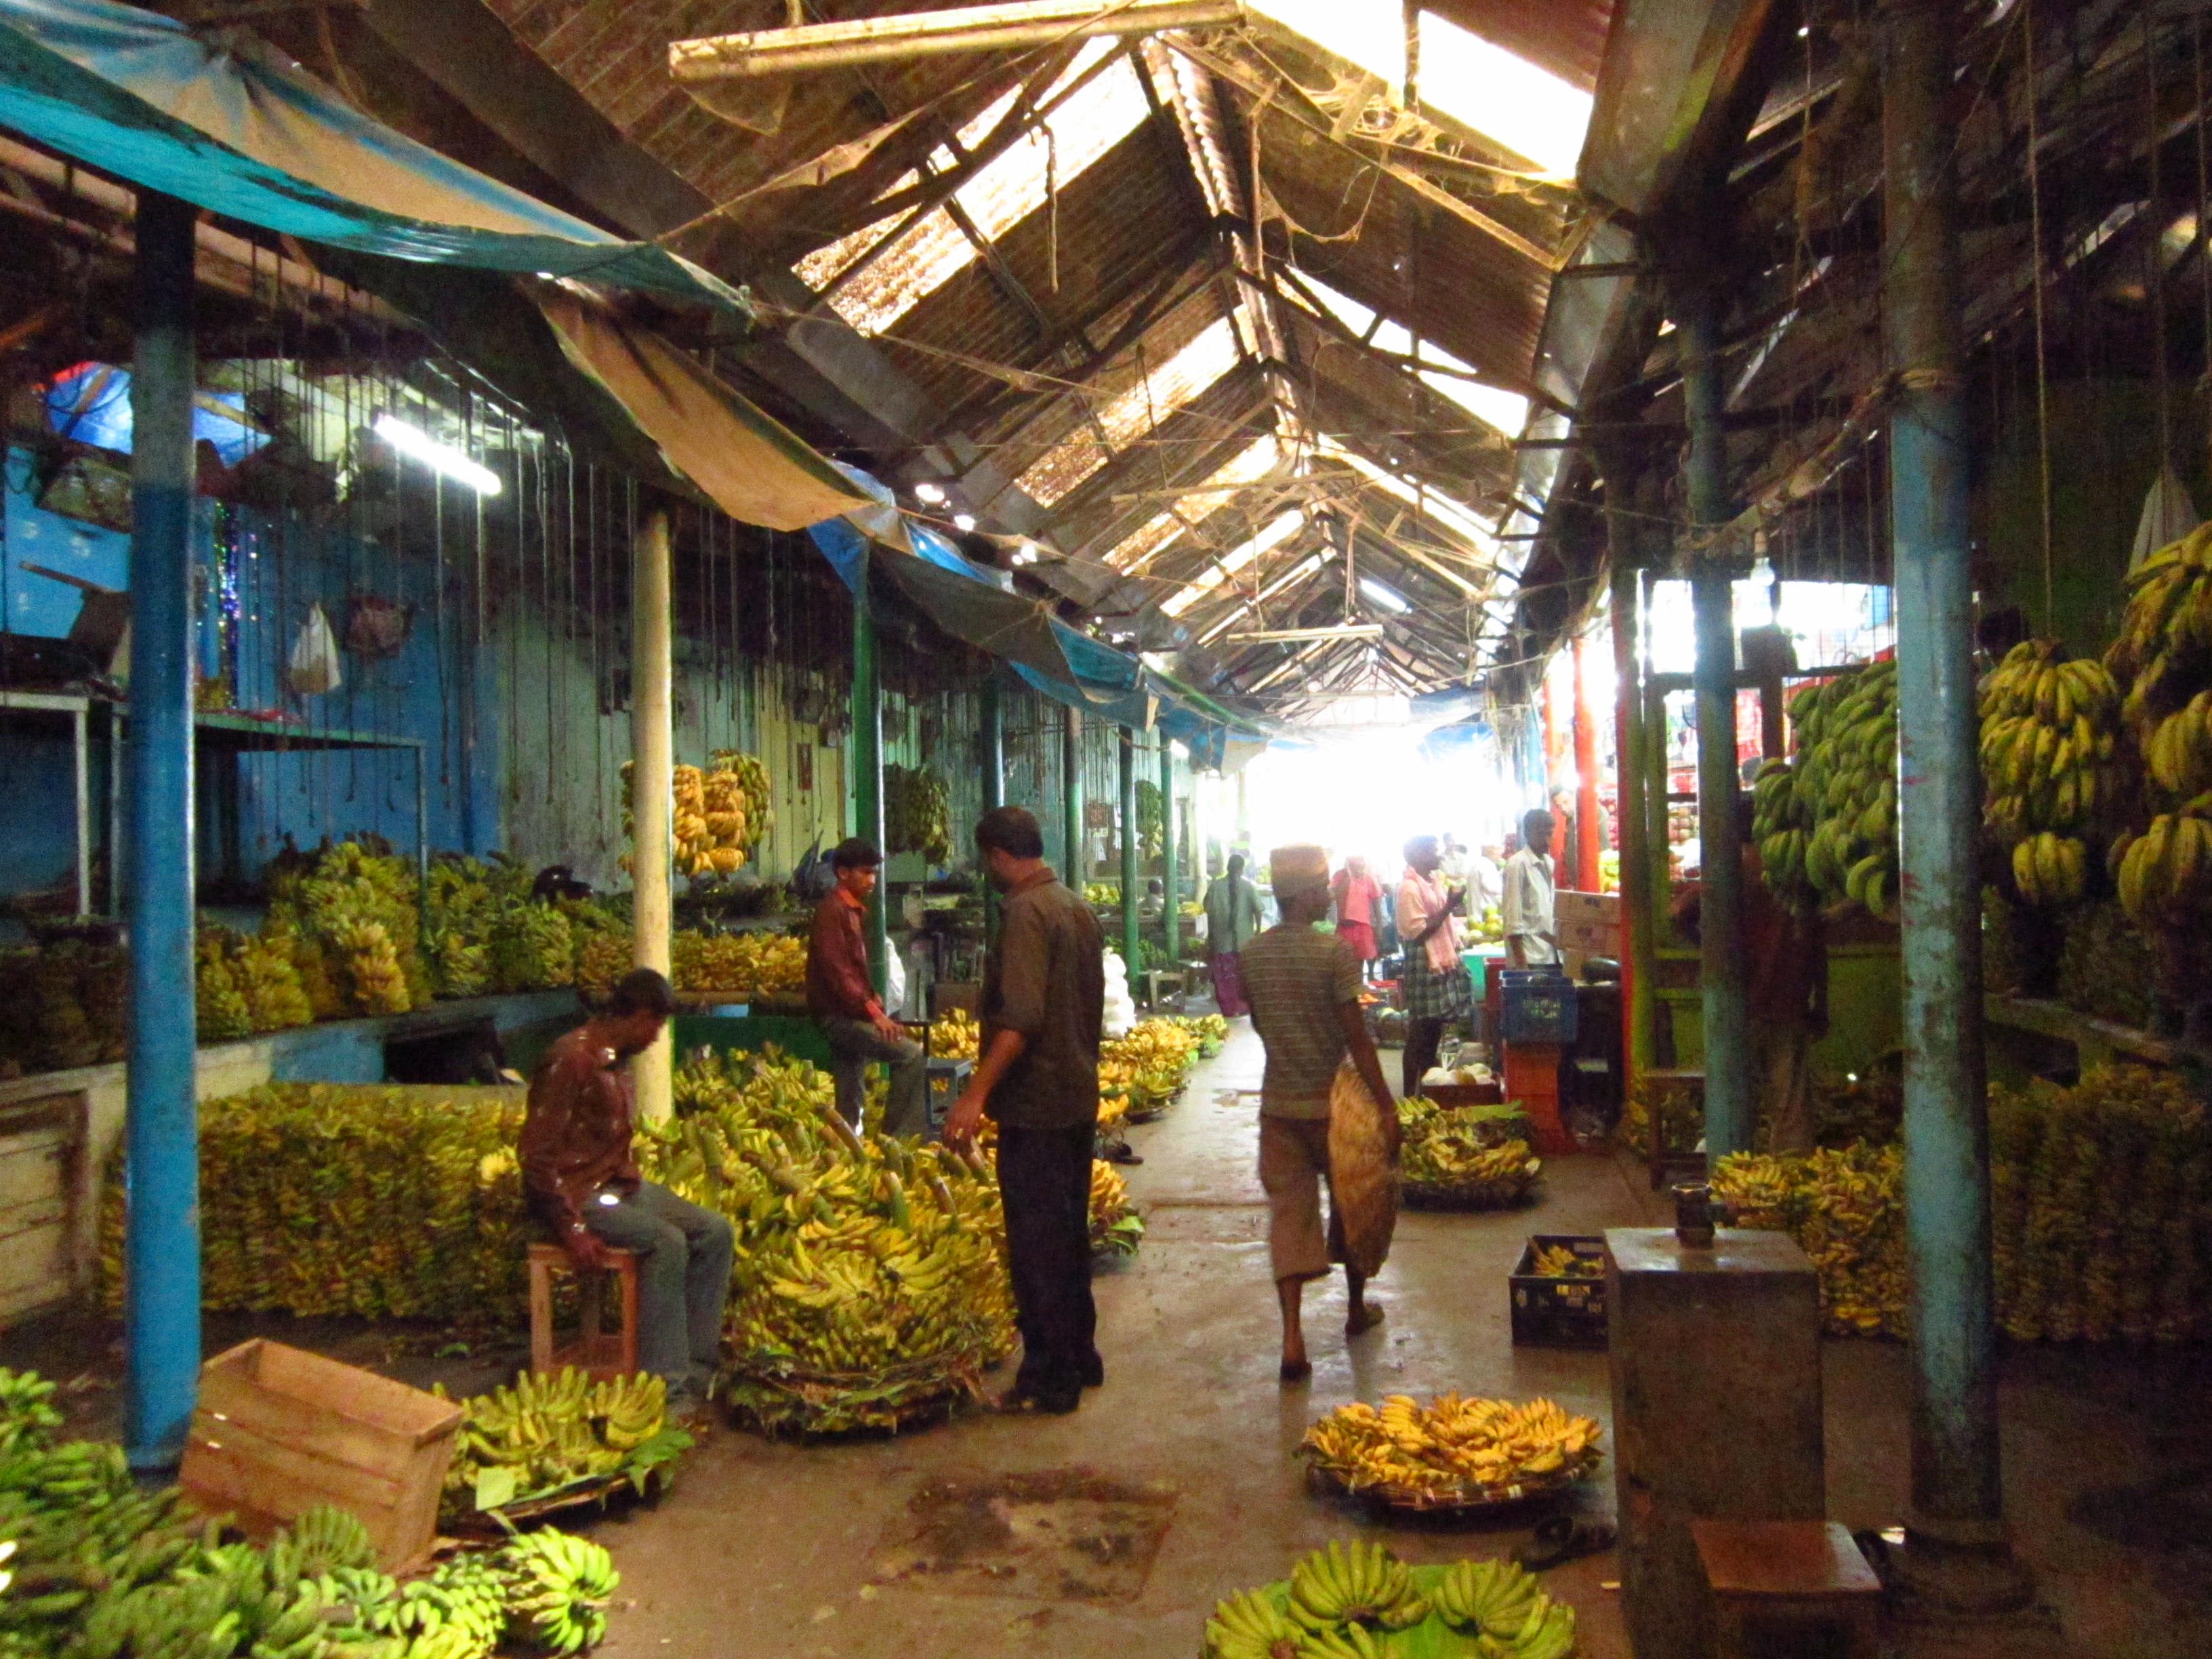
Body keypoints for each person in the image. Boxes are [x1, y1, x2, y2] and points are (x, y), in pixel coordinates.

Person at [945, 806, 1106, 1414]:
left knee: (1037, 1242)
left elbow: (1019, 1019)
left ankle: (1048, 1376)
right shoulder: (1074, 905)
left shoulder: (1024, 913)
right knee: (1068, 1233)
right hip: (1076, 1093)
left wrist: (974, 1095)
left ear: (995, 855)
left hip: (1036, 1103)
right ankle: (1082, 1355)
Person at [520, 968, 733, 1410]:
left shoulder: (612, 1059)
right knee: (665, 1243)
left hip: (617, 1188)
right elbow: (537, 1157)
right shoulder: (571, 1060)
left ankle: (698, 1368)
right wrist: (571, 1228)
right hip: (579, 1196)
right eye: (655, 1025)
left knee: (715, 1231)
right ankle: (666, 1388)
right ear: (636, 1015)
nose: (656, 1037)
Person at [1242, 846, 1398, 1382]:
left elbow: (1262, 1025)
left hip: (1279, 1106)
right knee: (1354, 1205)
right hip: (1334, 1108)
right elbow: (1357, 1037)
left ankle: (1292, 1337)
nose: (1332, 894)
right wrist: (1384, 1103)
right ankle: (1356, 1309)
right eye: (1324, 888)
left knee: (1289, 1215)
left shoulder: (1251, 955)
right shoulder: (1333, 954)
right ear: (1306, 894)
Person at [1674, 796, 1828, 1151]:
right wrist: (1821, 1003)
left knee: (1735, 1092)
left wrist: (1708, 950)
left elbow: (1678, 914)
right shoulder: (1796, 870)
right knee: (1789, 1100)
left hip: (1736, 1001)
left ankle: (1735, 1171)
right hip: (1788, 999)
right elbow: (1817, 943)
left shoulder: (1728, 872)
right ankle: (1788, 1176)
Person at [806, 838, 928, 1136]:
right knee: (911, 1055)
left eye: (874, 873)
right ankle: (898, 1138)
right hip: (840, 1016)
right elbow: (838, 973)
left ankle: (850, 1137)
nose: (872, 880)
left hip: (847, 1012)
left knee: (850, 1082)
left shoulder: (849, 910)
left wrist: (871, 1000)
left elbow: (850, 971)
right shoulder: (832, 912)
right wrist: (874, 1012)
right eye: (865, 872)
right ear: (842, 873)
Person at [1395, 836, 1473, 1098]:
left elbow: (1439, 921)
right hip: (1424, 961)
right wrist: (1449, 906)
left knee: (1432, 1032)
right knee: (1419, 1032)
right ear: (1416, 856)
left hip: (1437, 961)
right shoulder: (1409, 888)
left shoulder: (1431, 883)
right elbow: (1419, 932)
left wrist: (1451, 907)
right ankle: (1408, 1096)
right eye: (1433, 851)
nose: (1439, 856)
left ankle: (1427, 1092)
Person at [1202, 853, 1266, 1018]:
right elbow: (1259, 909)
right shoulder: (1249, 886)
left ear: (1228, 867)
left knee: (1224, 977)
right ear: (1242, 868)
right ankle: (1241, 1007)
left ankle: (1228, 1009)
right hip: (1244, 941)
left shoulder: (1215, 886)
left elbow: (1207, 909)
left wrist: (1211, 933)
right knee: (1242, 975)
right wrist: (1257, 930)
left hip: (1221, 940)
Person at [1501, 809, 1559, 967]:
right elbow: (1513, 919)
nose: (1547, 841)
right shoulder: (1517, 864)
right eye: (1541, 834)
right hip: (1530, 958)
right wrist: (1522, 966)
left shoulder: (1549, 863)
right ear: (1527, 833)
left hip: (1551, 956)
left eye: (1550, 834)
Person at [1330, 855, 1384, 981]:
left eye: (1362, 862)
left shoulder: (1369, 879)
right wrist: (1347, 878)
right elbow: (1333, 894)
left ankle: (1370, 976)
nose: (1360, 866)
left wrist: (1379, 926)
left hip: (1363, 925)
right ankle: (1354, 983)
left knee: (1368, 953)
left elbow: (1377, 904)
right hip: (1344, 926)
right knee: (1347, 959)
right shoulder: (1340, 876)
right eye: (1356, 863)